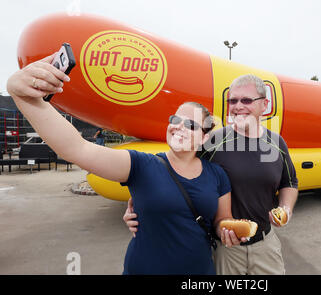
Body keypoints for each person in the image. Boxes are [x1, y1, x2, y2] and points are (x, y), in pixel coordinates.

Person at [6, 53, 246, 275]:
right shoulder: (141, 165)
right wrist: (25, 97)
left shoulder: (217, 175)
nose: (179, 127)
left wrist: (227, 232)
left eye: (191, 125)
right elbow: (77, 149)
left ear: (204, 137)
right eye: (176, 119)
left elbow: (219, 222)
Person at [124, 74, 299, 275]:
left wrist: (286, 208)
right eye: (232, 100)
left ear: (264, 104)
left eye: (247, 100)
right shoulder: (212, 141)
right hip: (225, 249)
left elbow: (290, 182)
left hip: (266, 244)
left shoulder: (277, 143)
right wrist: (140, 204)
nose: (238, 106)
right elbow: (172, 168)